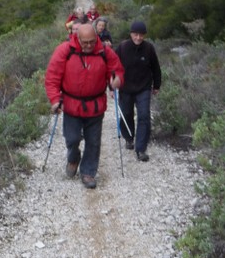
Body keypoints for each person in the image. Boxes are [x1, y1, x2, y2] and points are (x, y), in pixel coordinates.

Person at [45, 23, 124, 188]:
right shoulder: (64, 51)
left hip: (95, 105)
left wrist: (116, 80)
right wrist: (54, 100)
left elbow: (117, 71)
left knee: (93, 141)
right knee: (72, 138)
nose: (89, 45)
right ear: (77, 38)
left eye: (91, 41)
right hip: (71, 105)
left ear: (96, 37)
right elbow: (52, 77)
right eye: (85, 42)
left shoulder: (105, 52)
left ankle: (88, 172)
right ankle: (73, 158)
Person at [115, 20, 162, 162]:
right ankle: (129, 138)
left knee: (144, 116)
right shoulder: (122, 47)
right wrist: (112, 86)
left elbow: (156, 68)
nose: (138, 38)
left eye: (141, 35)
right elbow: (113, 67)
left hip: (143, 88)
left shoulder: (149, 48)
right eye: (136, 34)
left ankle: (141, 148)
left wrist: (156, 85)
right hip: (125, 88)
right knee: (126, 114)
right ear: (131, 34)